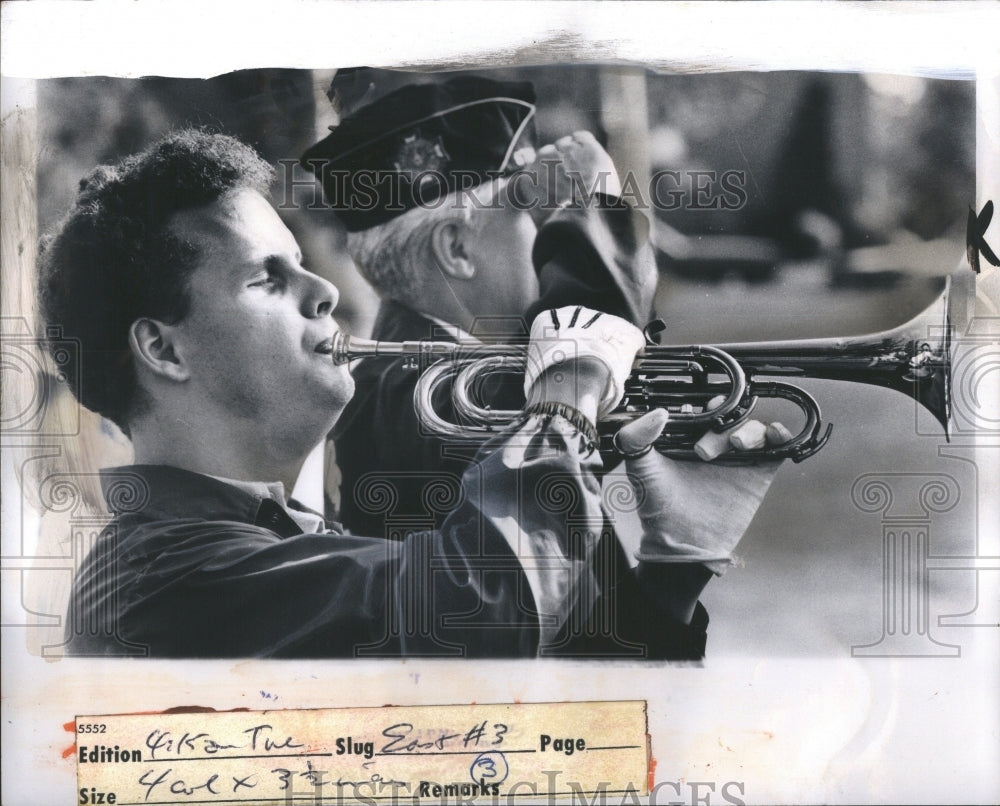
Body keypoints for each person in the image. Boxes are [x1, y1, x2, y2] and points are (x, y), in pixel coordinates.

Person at [38, 130, 783, 660]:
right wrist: (566, 396)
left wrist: (677, 566)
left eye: (302, 263)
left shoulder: (282, 537)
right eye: (268, 278)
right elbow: (480, 613)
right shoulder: (162, 580)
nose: (326, 291)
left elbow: (554, 730)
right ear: (163, 348)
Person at [300, 74, 658, 538]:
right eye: (528, 210)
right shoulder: (437, 391)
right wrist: (601, 208)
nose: (543, 229)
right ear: (458, 250)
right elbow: (540, 561)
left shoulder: (411, 376)